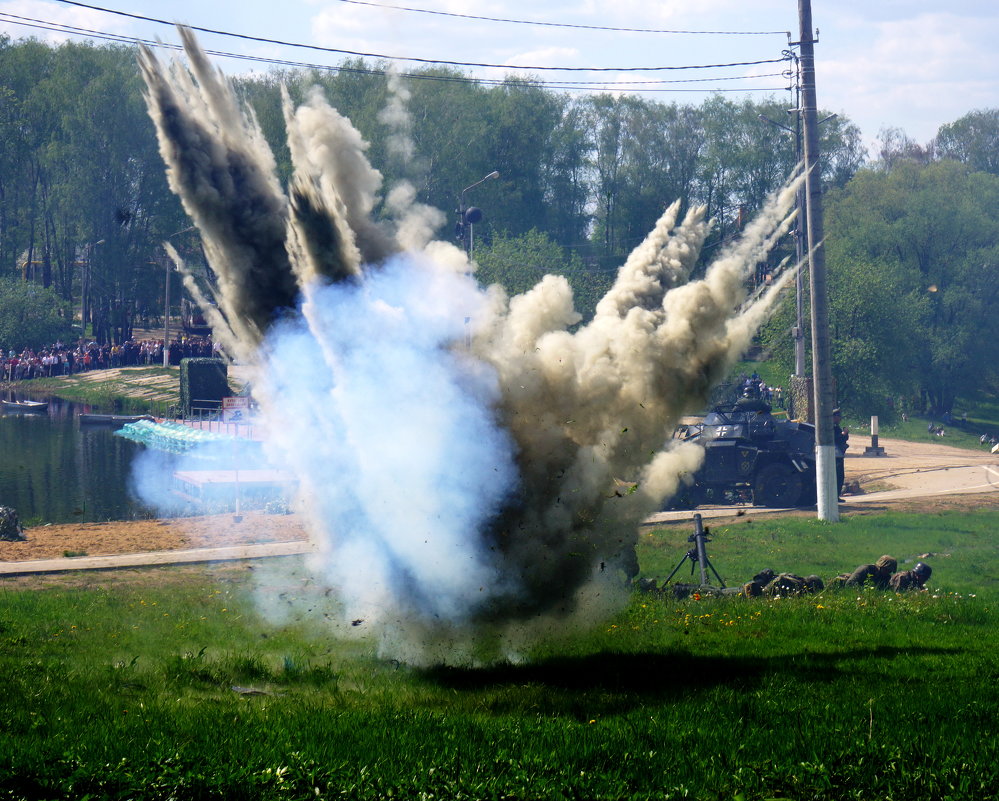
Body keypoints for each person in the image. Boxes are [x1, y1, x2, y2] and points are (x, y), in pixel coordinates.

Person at [833, 555, 897, 589]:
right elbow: (850, 583)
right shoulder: (866, 569)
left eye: (890, 571)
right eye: (887, 569)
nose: (888, 572)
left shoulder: (886, 578)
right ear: (881, 566)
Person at [833, 408, 849, 500]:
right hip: (834, 455)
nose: (840, 419)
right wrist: (843, 434)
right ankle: (834, 496)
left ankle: (837, 496)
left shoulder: (836, 427)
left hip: (839, 454)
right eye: (838, 416)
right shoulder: (830, 427)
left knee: (840, 476)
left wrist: (845, 434)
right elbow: (836, 439)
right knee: (837, 476)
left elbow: (843, 439)